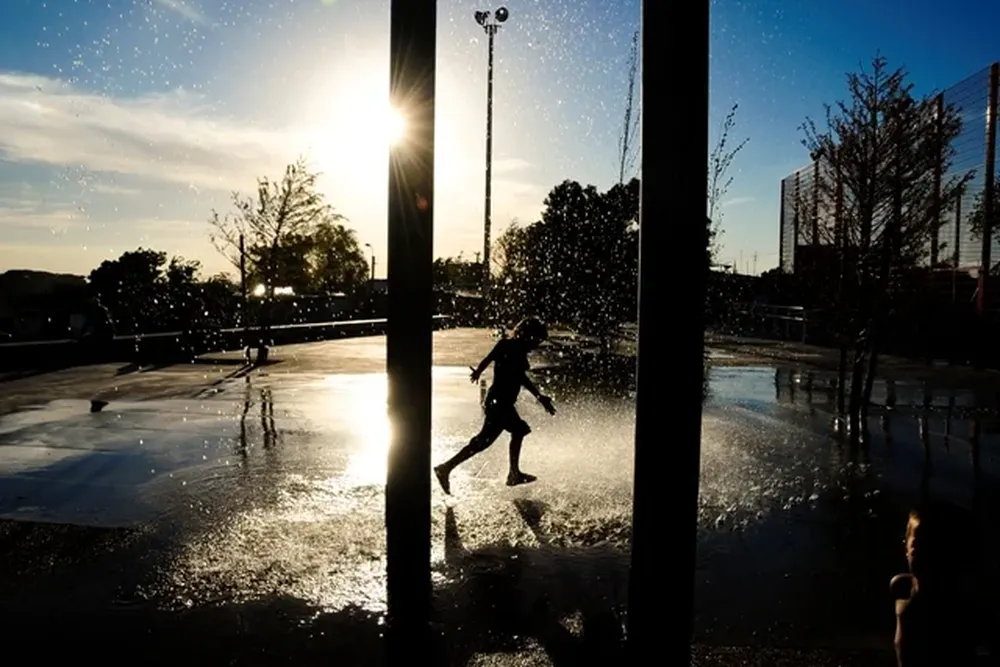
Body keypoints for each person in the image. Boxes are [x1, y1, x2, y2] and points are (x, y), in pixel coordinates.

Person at [434, 316, 556, 495]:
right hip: (499, 403)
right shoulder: (510, 346)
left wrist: (540, 397)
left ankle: (446, 468)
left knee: (483, 442)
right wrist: (478, 372)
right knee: (518, 430)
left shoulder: (514, 348)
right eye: (536, 340)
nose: (536, 345)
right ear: (527, 335)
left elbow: (518, 376)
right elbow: (491, 359)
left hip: (500, 402)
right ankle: (513, 474)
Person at [890, 504, 977, 667]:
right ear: (906, 547)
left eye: (938, 548)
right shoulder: (902, 589)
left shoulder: (962, 608)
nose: (929, 556)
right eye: (919, 546)